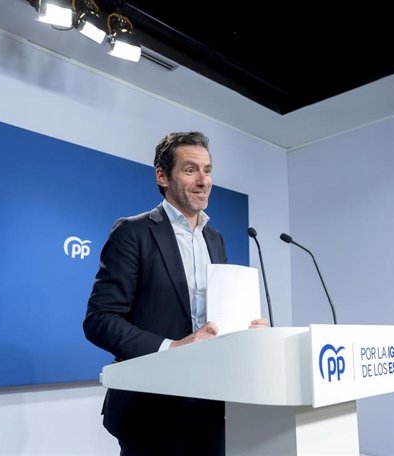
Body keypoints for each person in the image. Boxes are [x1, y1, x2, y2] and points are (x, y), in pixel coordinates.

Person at [83, 131, 267, 456]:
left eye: (208, 170)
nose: (203, 181)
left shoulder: (216, 239)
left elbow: (215, 324)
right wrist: (173, 347)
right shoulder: (132, 232)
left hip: (211, 404)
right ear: (162, 176)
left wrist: (244, 333)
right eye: (190, 169)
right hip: (151, 411)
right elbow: (100, 320)